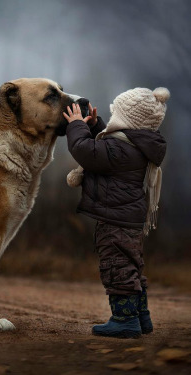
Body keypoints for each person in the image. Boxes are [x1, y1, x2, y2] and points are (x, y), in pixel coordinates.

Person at [63, 87, 169, 338]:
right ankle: (141, 317)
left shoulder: (120, 150)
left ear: (127, 120)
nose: (112, 120)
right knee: (131, 266)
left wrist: (76, 126)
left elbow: (85, 151)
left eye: (115, 114)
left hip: (115, 220)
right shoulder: (134, 145)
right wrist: (94, 125)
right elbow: (106, 145)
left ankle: (124, 321)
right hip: (128, 218)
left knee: (117, 267)